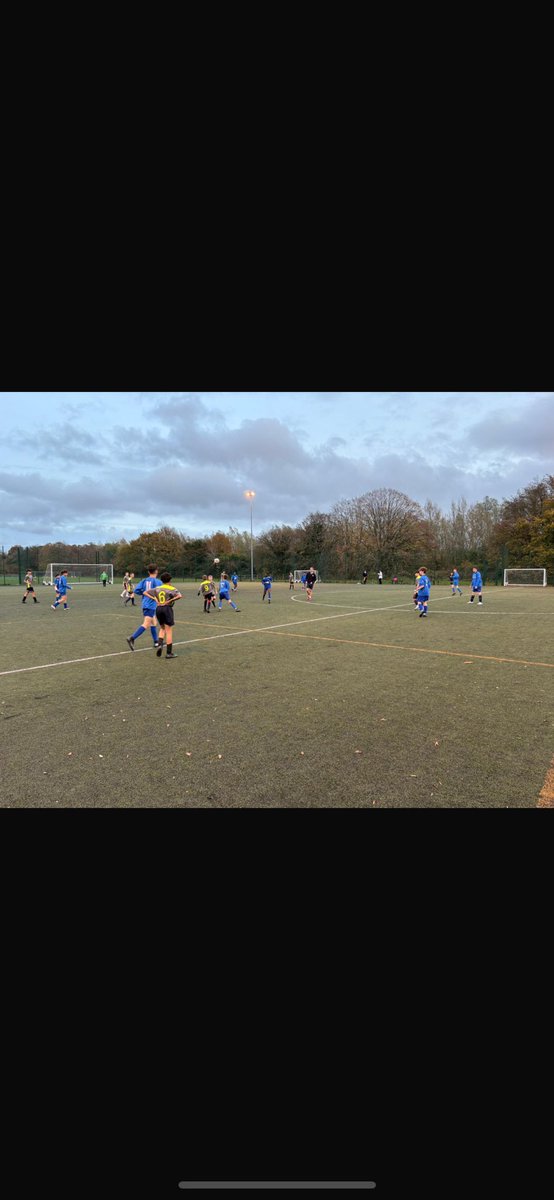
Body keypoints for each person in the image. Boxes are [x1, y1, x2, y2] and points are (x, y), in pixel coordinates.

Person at [146, 572, 182, 659]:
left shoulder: (157, 588)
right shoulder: (172, 588)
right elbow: (179, 596)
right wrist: (170, 600)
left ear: (162, 580)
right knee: (168, 630)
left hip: (158, 609)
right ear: (170, 580)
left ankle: (159, 645)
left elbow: (145, 592)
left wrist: (155, 598)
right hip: (167, 609)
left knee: (162, 628)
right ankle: (169, 653)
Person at [126, 564, 162, 650]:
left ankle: (156, 642)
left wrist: (145, 593)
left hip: (146, 604)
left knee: (154, 623)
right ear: (156, 571)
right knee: (146, 623)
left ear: (148, 572)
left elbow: (136, 590)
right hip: (151, 605)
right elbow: (161, 593)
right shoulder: (158, 582)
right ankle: (132, 638)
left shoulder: (144, 580)